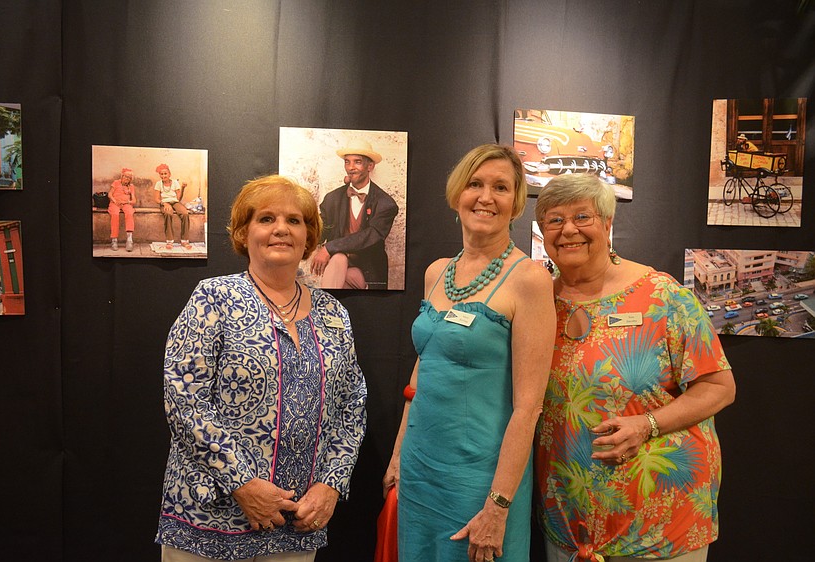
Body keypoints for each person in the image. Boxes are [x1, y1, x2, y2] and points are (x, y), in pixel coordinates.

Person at [155, 174, 368, 562]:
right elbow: (184, 400)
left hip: (297, 520)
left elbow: (351, 408)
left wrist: (330, 485)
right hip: (210, 517)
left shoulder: (334, 314)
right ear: (243, 231)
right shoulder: (214, 298)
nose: (281, 229)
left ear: (309, 236)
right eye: (266, 219)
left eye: (294, 220)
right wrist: (243, 484)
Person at [533, 174, 736, 562]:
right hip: (568, 523)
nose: (569, 229)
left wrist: (647, 424)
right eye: (555, 220)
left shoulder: (663, 296)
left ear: (608, 224)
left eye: (582, 216)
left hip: (661, 523)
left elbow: (719, 386)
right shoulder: (536, 302)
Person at [384, 144, 556, 562]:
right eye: (475, 184)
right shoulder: (436, 272)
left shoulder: (529, 279)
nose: (485, 197)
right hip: (421, 468)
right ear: (457, 193)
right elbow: (423, 369)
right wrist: (398, 453)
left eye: (500, 187)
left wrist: (497, 507)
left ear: (516, 203)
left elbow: (528, 408)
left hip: (478, 480)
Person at [310, 138, 399, 289]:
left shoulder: (386, 203)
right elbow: (321, 230)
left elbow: (372, 235)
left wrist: (329, 248)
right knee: (338, 260)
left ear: (370, 166)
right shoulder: (332, 199)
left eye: (357, 162)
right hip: (339, 266)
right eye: (347, 162)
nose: (351, 167)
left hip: (368, 271)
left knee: (337, 260)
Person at [153, 163, 192, 250]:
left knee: (185, 213)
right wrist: (164, 203)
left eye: (165, 173)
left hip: (175, 202)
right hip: (164, 203)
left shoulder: (175, 182)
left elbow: (178, 198)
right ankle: (169, 241)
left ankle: (184, 240)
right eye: (161, 174)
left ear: (169, 174)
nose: (163, 175)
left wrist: (182, 188)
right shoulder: (158, 184)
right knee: (168, 213)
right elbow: (156, 199)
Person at [107, 167, 136, 251]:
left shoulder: (131, 186)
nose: (127, 179)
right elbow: (110, 194)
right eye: (126, 176)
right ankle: (114, 240)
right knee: (115, 214)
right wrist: (115, 200)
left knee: (130, 213)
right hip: (115, 203)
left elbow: (134, 200)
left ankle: (129, 240)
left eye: (129, 177)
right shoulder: (116, 183)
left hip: (126, 204)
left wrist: (129, 202)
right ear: (122, 176)